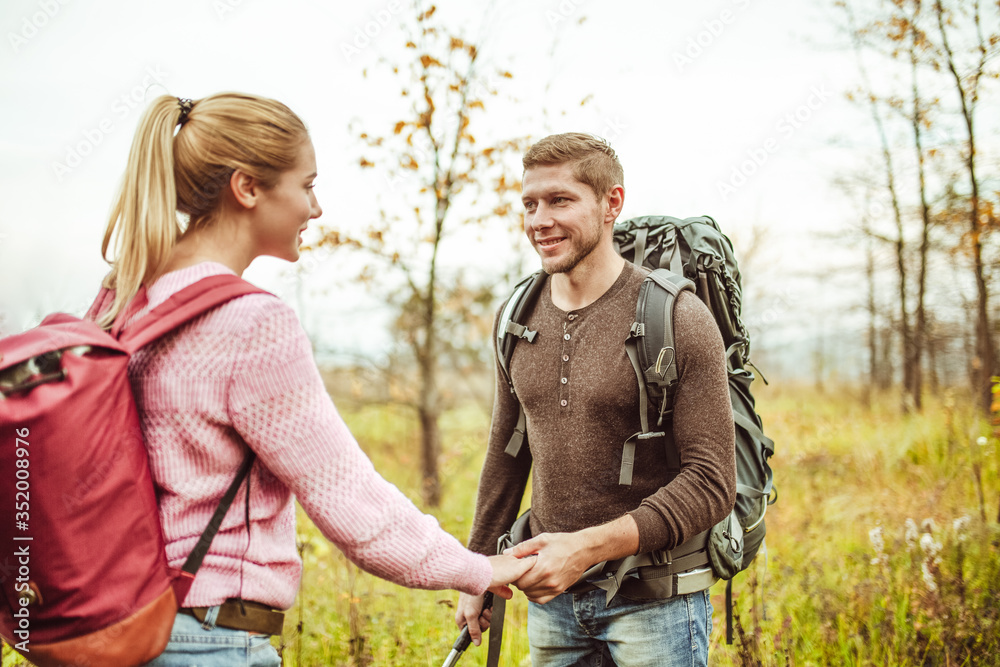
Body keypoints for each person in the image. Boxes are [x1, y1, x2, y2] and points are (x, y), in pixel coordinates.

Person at [85, 92, 534, 666]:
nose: (316, 208)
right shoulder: (251, 323)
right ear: (247, 188)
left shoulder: (120, 300)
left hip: (118, 633)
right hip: (208, 641)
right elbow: (352, 506)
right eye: (307, 185)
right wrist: (478, 567)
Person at [455, 133, 736, 666]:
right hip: (553, 603)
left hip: (657, 604)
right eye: (530, 204)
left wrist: (585, 548)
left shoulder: (677, 318)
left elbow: (712, 482)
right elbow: (508, 452)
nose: (539, 220)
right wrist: (476, 569)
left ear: (612, 204)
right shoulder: (518, 315)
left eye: (560, 200)